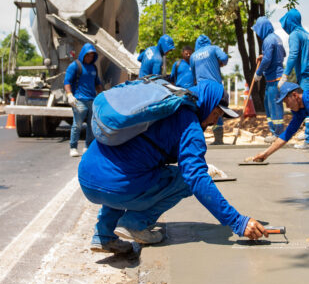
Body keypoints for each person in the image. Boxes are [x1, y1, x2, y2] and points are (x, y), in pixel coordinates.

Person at [77, 80, 269, 254]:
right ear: (208, 103)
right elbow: (196, 179)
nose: (214, 121)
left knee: (128, 167)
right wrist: (237, 221)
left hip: (87, 178)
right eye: (217, 113)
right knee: (184, 180)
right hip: (117, 188)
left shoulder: (162, 104)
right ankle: (136, 223)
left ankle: (104, 236)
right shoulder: (190, 125)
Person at [279, 9, 309, 151]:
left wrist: (285, 75)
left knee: (307, 105)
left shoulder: (295, 35)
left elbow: (293, 55)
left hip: (306, 74)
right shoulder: (308, 35)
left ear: (289, 21)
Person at [64, 43, 104, 157]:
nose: (90, 58)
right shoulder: (75, 66)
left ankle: (87, 146)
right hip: (79, 100)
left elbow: (98, 83)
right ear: (83, 54)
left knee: (91, 125)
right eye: (88, 55)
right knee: (77, 125)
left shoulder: (93, 67)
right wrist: (69, 95)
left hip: (92, 100)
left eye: (92, 56)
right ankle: (73, 147)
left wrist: (102, 95)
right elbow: (67, 81)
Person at [189, 34, 230, 145]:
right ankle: (218, 139)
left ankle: (197, 138)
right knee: (217, 110)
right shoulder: (213, 49)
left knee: (202, 112)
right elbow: (225, 58)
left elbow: (193, 75)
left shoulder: (193, 56)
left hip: (201, 88)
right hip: (215, 87)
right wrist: (220, 63)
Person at [251, 16, 286, 142]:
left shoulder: (267, 40)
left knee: (274, 106)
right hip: (275, 78)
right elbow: (283, 54)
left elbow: (267, 60)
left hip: (274, 79)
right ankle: (274, 131)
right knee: (268, 104)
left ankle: (277, 134)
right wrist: (264, 55)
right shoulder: (276, 38)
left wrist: (258, 73)